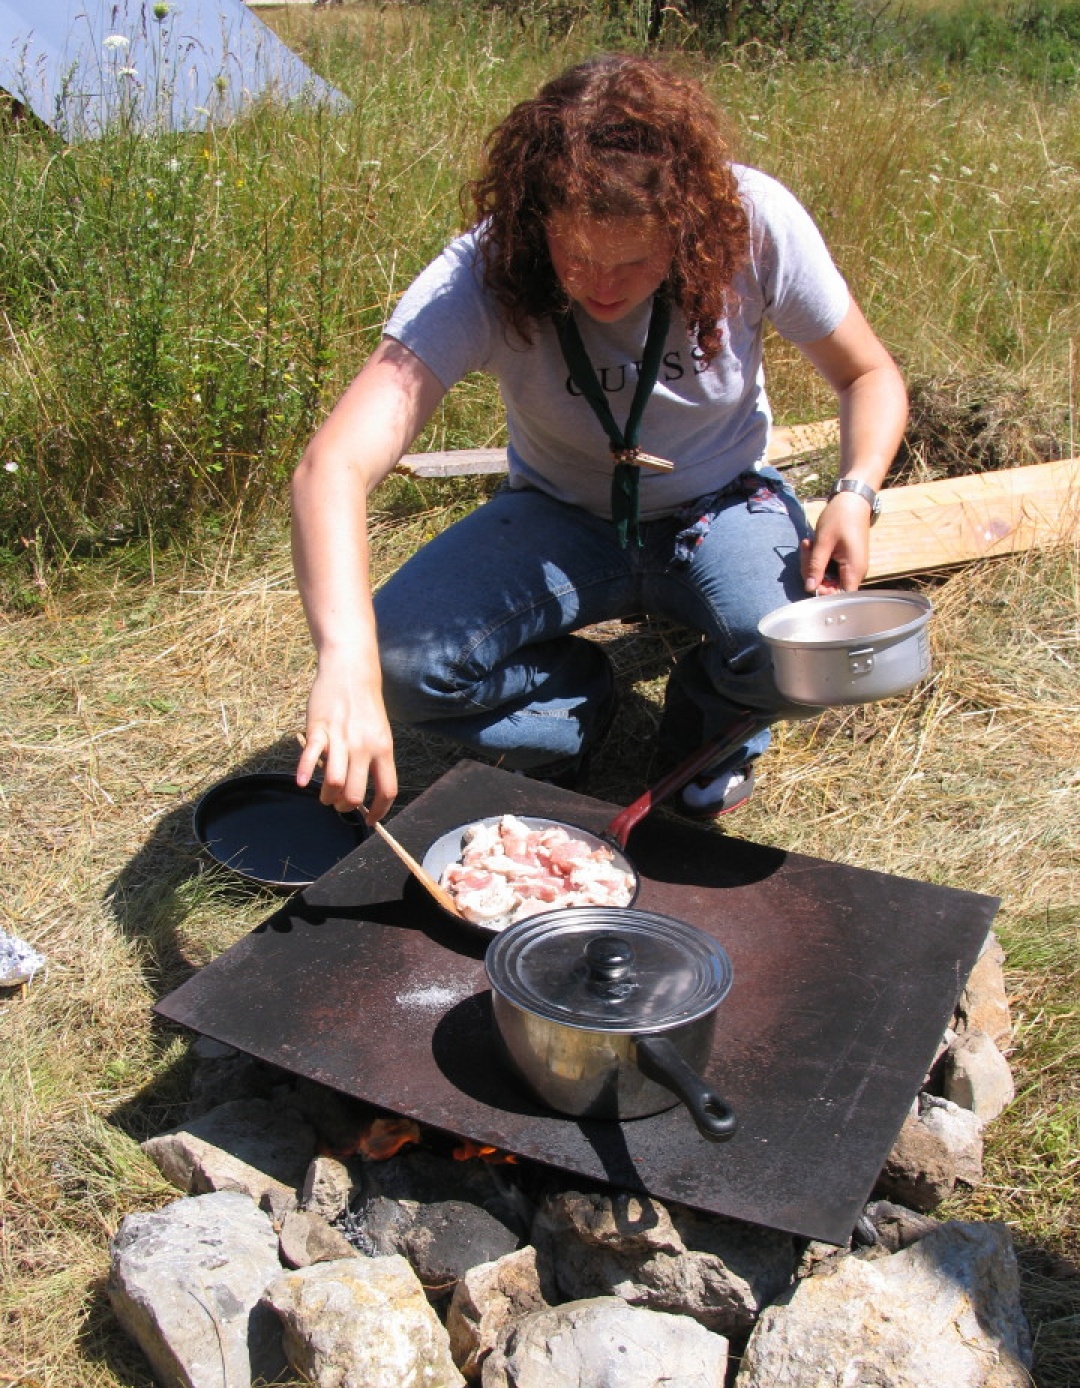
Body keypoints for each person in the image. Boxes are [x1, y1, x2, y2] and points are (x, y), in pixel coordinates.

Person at [291, 52, 908, 825]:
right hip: (558, 514)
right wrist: (345, 662)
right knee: (401, 665)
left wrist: (855, 494)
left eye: (635, 260)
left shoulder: (752, 225)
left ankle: (702, 733)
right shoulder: (484, 269)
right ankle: (570, 713)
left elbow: (867, 375)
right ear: (533, 222)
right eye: (575, 256)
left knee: (804, 656)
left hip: (720, 502)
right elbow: (332, 466)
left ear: (684, 227)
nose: (602, 284)